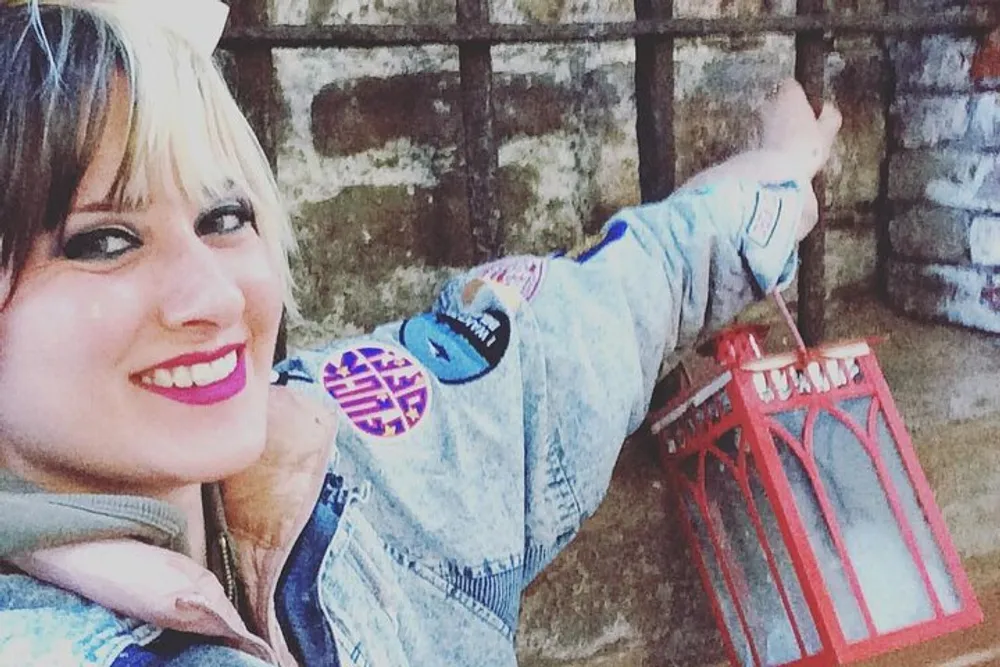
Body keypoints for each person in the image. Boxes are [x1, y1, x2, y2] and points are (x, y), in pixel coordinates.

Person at [0, 1, 841, 665]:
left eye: (225, 216)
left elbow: (574, 327)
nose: (213, 294)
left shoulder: (342, 450)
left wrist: (765, 192)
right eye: (102, 241)